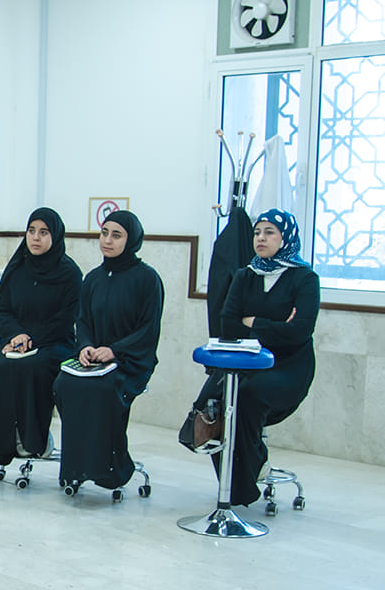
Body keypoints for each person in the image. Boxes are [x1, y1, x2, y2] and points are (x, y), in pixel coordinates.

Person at [178, 208, 319, 506]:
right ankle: (237, 481)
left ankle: (246, 477)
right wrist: (275, 326)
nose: (260, 238)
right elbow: (227, 323)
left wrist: (253, 322)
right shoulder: (246, 275)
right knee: (214, 399)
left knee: (248, 394)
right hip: (243, 362)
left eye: (269, 232)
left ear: (286, 238)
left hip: (288, 367)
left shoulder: (305, 279)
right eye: (257, 232)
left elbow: (299, 332)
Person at [52, 210, 163, 493]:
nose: (108, 240)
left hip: (130, 362)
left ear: (131, 240)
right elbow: (83, 321)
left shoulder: (147, 279)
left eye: (116, 235)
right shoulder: (93, 279)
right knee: (64, 384)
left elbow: (148, 330)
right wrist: (85, 347)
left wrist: (114, 351)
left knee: (105, 388)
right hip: (93, 361)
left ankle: (112, 469)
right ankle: (77, 466)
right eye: (104, 233)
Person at [0, 207, 79, 469]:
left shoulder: (69, 273)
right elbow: (3, 309)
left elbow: (65, 319)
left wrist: (31, 339)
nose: (35, 237)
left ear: (55, 236)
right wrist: (15, 336)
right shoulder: (18, 267)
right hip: (16, 341)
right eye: (31, 231)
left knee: (35, 365)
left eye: (43, 232)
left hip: (55, 343)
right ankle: (5, 444)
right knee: (3, 364)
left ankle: (34, 439)